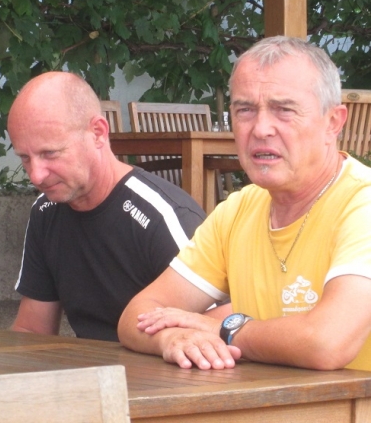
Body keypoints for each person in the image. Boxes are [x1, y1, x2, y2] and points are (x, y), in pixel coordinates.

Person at [118, 36, 371, 371]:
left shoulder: (362, 204)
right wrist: (174, 339)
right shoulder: (237, 211)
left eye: (284, 110)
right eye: (245, 110)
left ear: (333, 123)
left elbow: (327, 342)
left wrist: (226, 329)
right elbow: (136, 316)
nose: (261, 128)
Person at [6, 71, 207, 341]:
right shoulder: (46, 210)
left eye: (49, 153)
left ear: (98, 133)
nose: (36, 176)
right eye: (25, 158)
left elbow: (218, 324)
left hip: (163, 365)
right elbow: (32, 331)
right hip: (89, 366)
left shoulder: (164, 217)